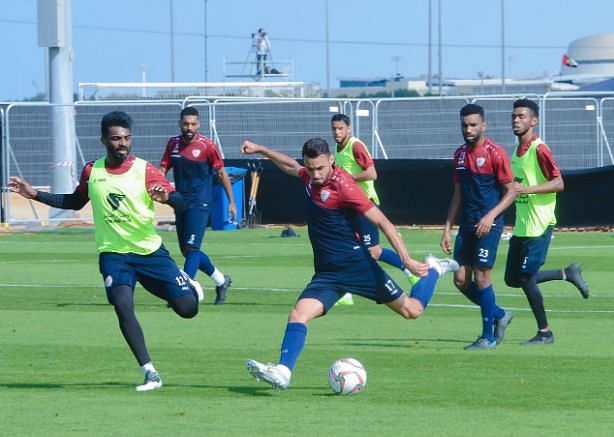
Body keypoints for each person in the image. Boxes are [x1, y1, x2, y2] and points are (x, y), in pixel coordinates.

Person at [240, 138, 458, 391]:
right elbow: (291, 166)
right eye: (311, 169)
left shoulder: (344, 186)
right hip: (328, 273)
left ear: (331, 160)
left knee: (412, 311)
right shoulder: (310, 178)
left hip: (357, 266)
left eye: (320, 168)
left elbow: (383, 223)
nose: (316, 174)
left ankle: (432, 270)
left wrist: (407, 260)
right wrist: (262, 149)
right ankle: (283, 372)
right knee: (298, 315)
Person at [8, 111, 203, 391]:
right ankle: (150, 372)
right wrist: (34, 194)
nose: (122, 143)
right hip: (113, 255)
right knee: (122, 305)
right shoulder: (93, 170)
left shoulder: (144, 169)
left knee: (188, 309)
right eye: (116, 139)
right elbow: (76, 202)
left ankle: (186, 283)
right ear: (103, 141)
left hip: (150, 253)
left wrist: (169, 199)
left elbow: (182, 203)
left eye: (126, 138)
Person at [504, 98, 590, 346]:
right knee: (512, 278)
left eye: (521, 116)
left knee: (525, 278)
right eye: (514, 116)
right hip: (522, 226)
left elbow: (559, 183)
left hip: (539, 226)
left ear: (534, 120)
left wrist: (527, 190)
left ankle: (545, 332)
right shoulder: (515, 150)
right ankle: (567, 273)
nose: (516, 120)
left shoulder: (539, 149)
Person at [440, 103, 516, 350]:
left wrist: (490, 216)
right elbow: (457, 195)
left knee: (482, 277)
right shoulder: (459, 155)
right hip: (467, 225)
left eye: (473, 124)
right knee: (461, 280)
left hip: (489, 225)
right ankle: (500, 314)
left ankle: (488, 337)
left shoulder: (496, 153)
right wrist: (447, 228)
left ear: (484, 125)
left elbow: (511, 191)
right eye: (464, 125)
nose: (468, 129)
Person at [331, 113, 418, 306]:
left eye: (340, 128)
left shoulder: (356, 145)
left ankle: (410, 271)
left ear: (349, 129)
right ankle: (345, 292)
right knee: (347, 248)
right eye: (334, 129)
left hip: (365, 205)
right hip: (350, 207)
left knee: (373, 251)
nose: (337, 132)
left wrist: (347, 179)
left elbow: (372, 173)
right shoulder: (338, 149)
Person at [160, 107, 234, 305]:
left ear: (198, 124)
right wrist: (157, 187)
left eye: (193, 124)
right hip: (180, 203)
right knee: (188, 251)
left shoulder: (207, 146)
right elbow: (163, 169)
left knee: (192, 248)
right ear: (180, 124)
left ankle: (184, 288)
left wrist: (232, 202)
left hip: (200, 203)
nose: (189, 127)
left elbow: (221, 174)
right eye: (186, 124)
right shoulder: (173, 144)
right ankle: (221, 280)